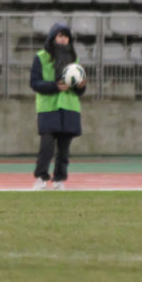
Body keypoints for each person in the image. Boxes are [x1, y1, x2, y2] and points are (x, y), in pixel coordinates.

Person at [30, 23, 86, 190]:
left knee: (64, 149)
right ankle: (41, 177)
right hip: (48, 107)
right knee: (46, 146)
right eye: (60, 36)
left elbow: (80, 90)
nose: (63, 39)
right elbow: (34, 83)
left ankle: (59, 179)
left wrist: (81, 85)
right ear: (53, 38)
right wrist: (55, 86)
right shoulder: (41, 57)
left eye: (66, 36)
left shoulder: (74, 60)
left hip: (70, 107)